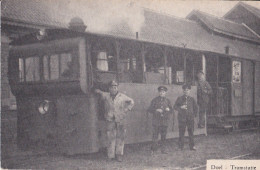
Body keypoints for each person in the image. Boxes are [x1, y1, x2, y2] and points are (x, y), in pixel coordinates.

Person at [95, 80, 134, 162]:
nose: (114, 89)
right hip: (110, 119)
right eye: (112, 87)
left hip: (120, 119)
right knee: (110, 137)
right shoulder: (106, 95)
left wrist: (126, 109)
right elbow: (100, 92)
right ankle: (110, 155)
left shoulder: (122, 96)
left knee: (120, 137)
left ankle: (119, 155)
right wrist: (97, 90)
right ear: (109, 88)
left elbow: (132, 102)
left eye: (115, 87)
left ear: (117, 88)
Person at [147, 86, 173, 154]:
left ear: (165, 93)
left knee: (163, 136)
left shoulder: (168, 101)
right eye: (160, 92)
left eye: (163, 92)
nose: (162, 93)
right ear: (158, 92)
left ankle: (163, 149)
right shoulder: (154, 100)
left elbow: (172, 110)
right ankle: (153, 149)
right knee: (155, 135)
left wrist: (169, 109)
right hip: (156, 121)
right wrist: (156, 110)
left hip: (164, 121)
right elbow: (149, 109)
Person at [174, 84, 198, 151]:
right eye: (185, 90)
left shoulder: (192, 99)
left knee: (191, 132)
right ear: (183, 91)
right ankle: (180, 146)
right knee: (181, 133)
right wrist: (180, 107)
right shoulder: (180, 98)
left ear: (190, 91)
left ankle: (192, 146)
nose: (186, 91)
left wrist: (194, 116)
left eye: (187, 90)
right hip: (182, 118)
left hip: (190, 119)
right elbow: (175, 107)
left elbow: (196, 108)